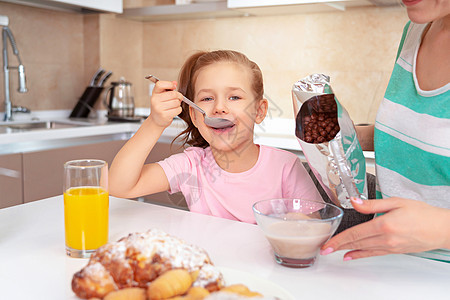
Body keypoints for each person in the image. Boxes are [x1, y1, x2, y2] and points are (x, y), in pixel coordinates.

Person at [109, 50, 322, 223]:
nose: (219, 108)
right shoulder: (190, 165)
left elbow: (314, 228)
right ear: (193, 114)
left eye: (234, 97)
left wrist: (295, 222)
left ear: (259, 111)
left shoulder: (286, 167)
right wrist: (154, 123)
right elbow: (119, 187)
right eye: (208, 98)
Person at [321, 0, 450, 262]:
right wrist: (344, 136)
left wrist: (442, 229)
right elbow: (413, 139)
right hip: (387, 264)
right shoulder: (415, 31)